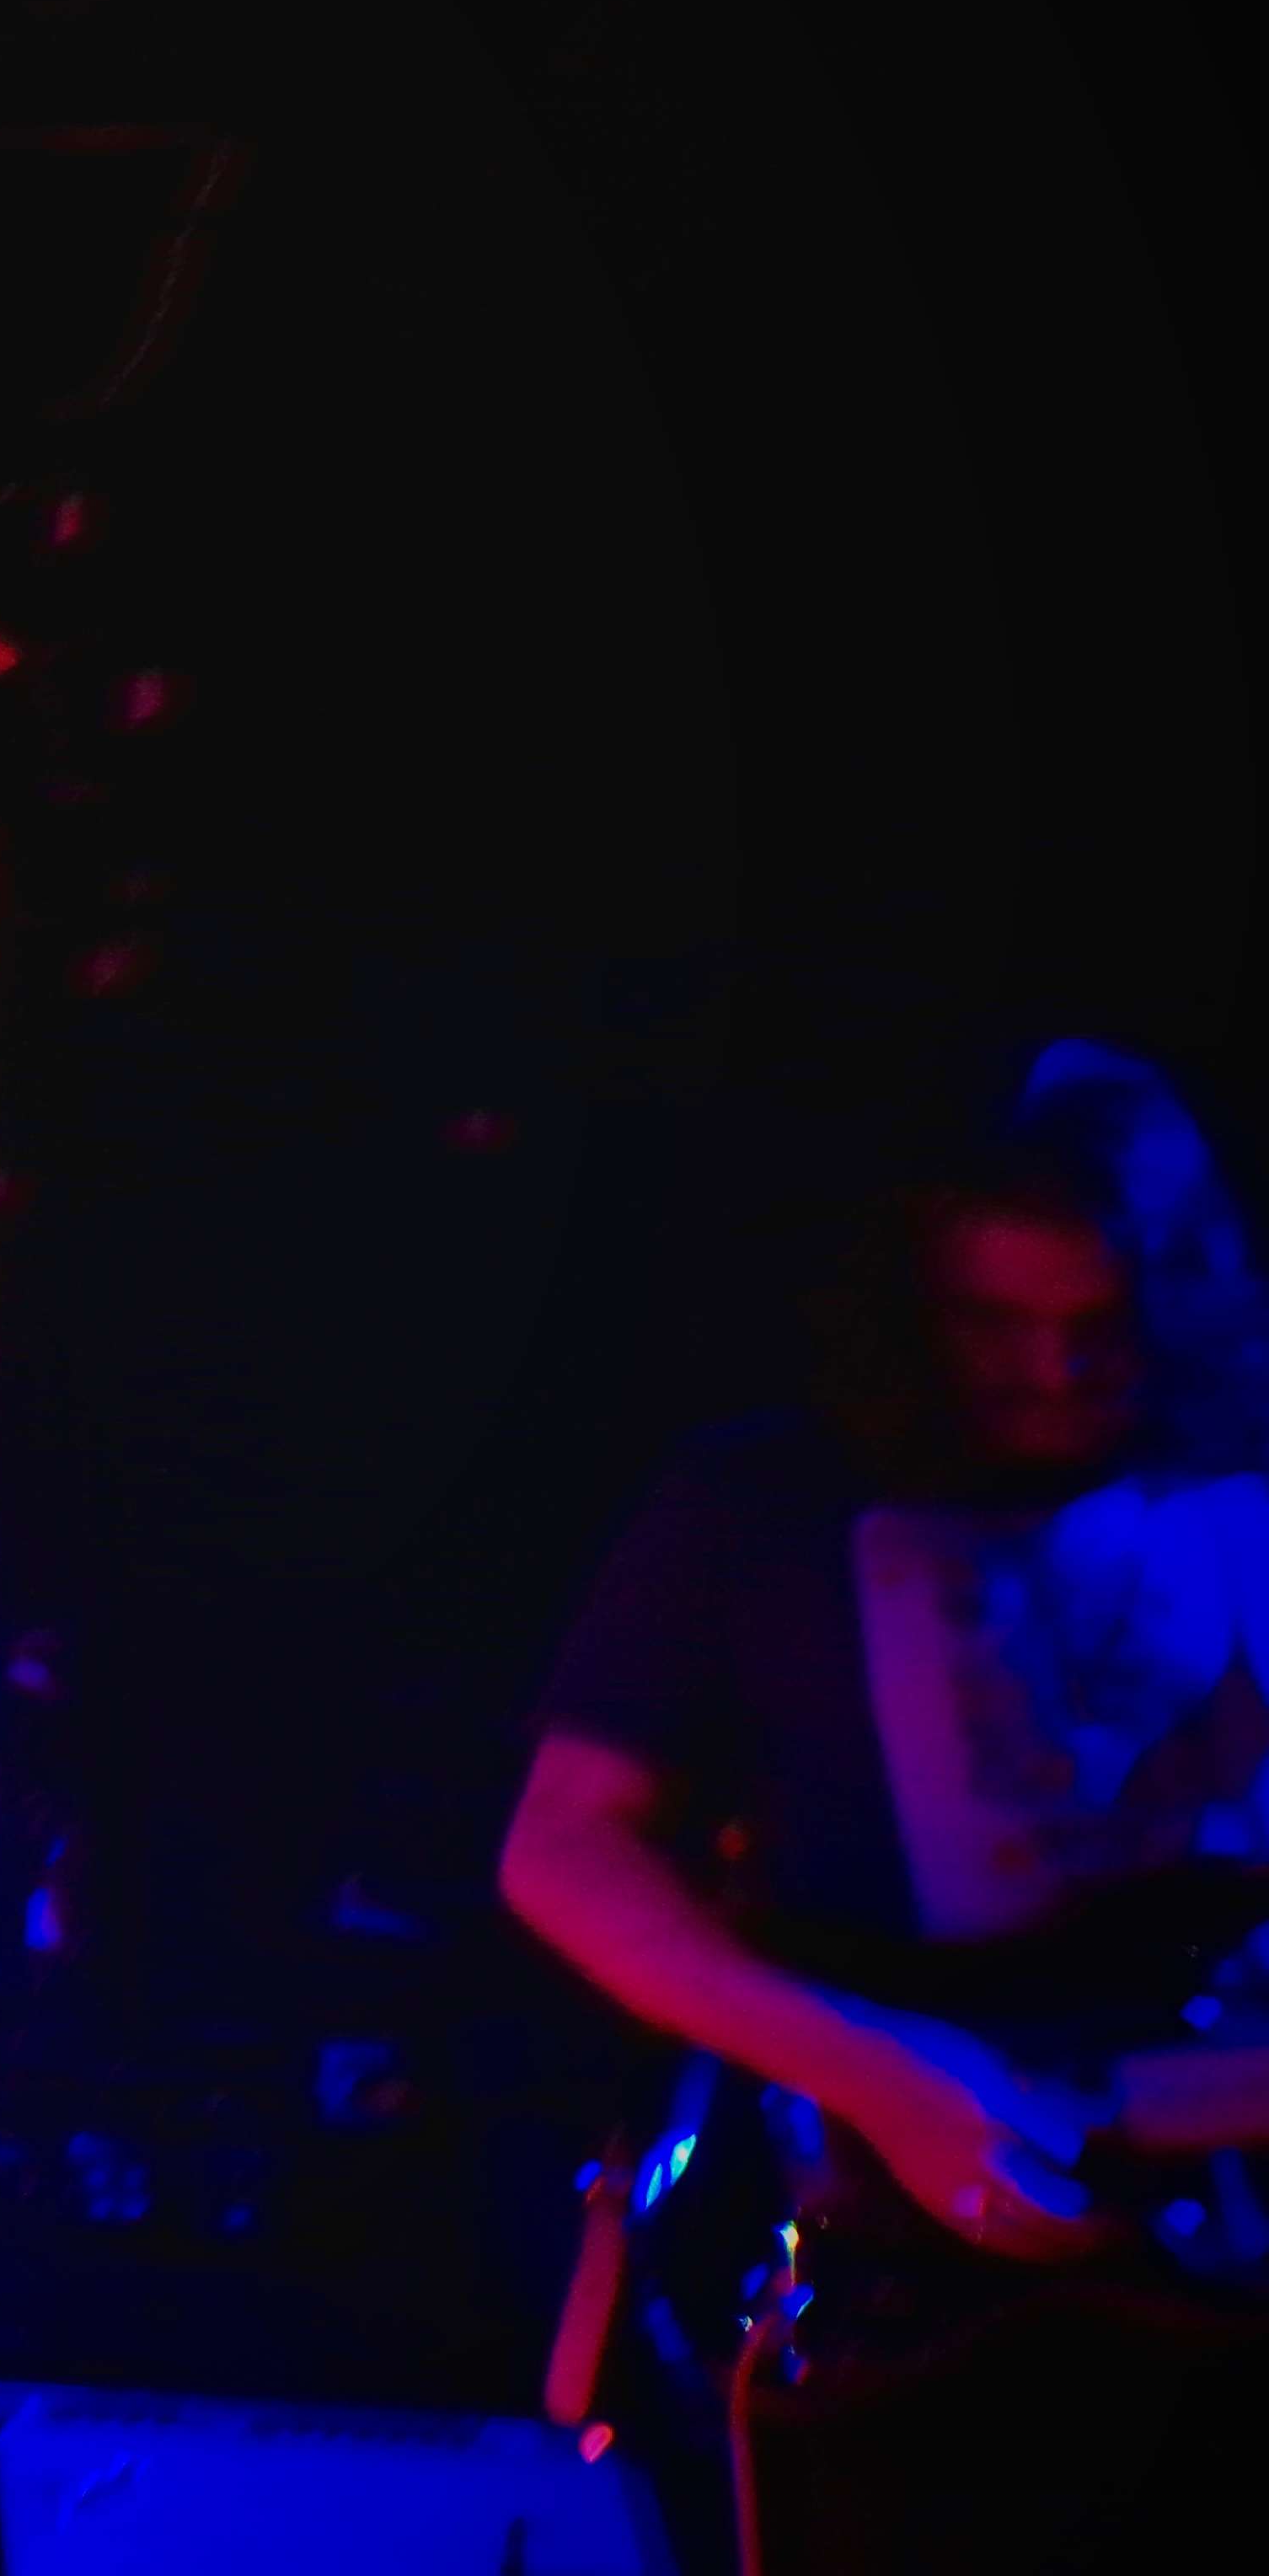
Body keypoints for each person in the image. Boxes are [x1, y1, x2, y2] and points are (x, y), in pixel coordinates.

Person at [501, 1047, 1269, 2564]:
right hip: (890, 2292)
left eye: (1097, 1324)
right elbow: (559, 1846)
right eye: (994, 1322)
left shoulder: (1236, 1488)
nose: (1049, 1371)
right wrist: (885, 2072)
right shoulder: (756, 1503)